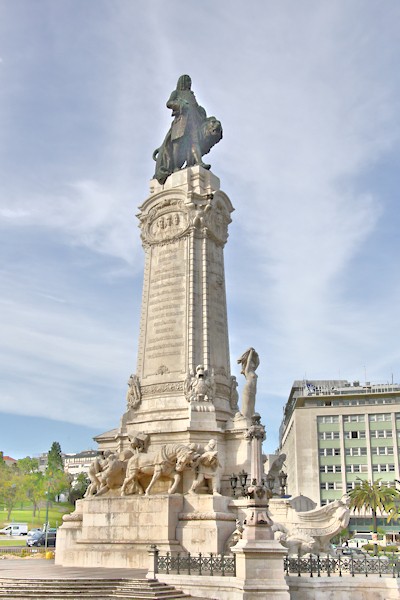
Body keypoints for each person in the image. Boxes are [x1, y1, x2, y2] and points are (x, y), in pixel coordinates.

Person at [237, 348, 260, 418]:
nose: (253, 364)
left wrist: (256, 355)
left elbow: (258, 363)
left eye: (253, 363)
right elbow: (249, 360)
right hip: (248, 387)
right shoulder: (247, 371)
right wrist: (250, 353)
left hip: (253, 389)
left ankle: (250, 417)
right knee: (247, 404)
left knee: (252, 405)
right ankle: (245, 416)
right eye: (251, 363)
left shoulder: (253, 372)